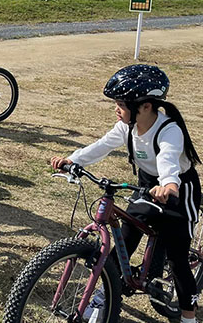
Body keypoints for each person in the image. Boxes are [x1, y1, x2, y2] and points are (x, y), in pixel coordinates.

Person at [51, 65, 201, 323]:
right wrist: (72, 160)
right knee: (125, 235)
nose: (116, 108)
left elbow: (168, 160)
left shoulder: (169, 130)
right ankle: (105, 292)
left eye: (121, 103)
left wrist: (169, 185)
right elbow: (102, 145)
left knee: (178, 261)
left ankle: (188, 318)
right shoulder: (126, 127)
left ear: (145, 107)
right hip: (147, 185)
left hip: (177, 190)